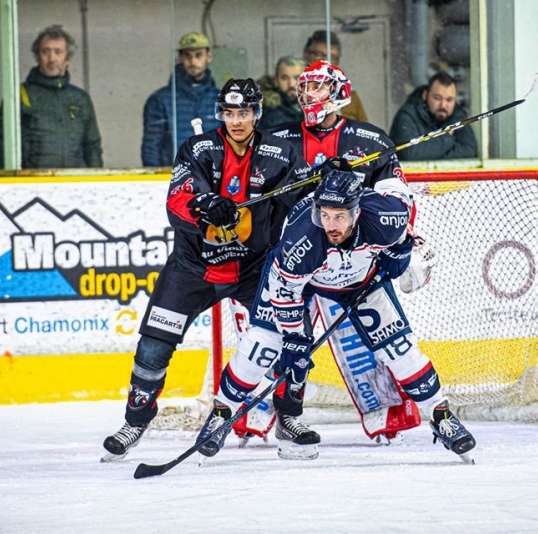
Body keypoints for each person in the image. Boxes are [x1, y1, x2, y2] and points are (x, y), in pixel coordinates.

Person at [195, 170, 476, 463]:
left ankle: (441, 415)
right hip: (298, 284)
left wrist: (401, 250)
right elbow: (284, 292)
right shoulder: (302, 240)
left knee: (398, 348)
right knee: (262, 346)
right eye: (325, 215)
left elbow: (396, 190)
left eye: (339, 216)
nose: (330, 224)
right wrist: (294, 338)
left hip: (360, 282)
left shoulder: (386, 217)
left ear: (357, 212)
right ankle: (220, 414)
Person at [101, 78, 311, 461]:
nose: (237, 120)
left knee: (293, 339)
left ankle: (288, 418)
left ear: (257, 114)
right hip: (193, 268)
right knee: (152, 346)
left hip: (255, 270)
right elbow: (178, 199)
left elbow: (307, 197)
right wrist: (204, 204)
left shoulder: (281, 153)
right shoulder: (198, 148)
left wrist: (326, 174)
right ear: (221, 114)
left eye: (244, 112)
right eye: (230, 113)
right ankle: (135, 420)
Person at [233, 60, 436, 451]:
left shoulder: (372, 142)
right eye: (304, 87)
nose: (308, 94)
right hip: (294, 257)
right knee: (275, 338)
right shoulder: (276, 139)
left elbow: (398, 198)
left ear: (339, 93)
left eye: (317, 87)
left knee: (370, 336)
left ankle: (386, 413)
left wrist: (398, 235)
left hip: (352, 260)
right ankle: (260, 415)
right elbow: (253, 192)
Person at [0, 25, 103, 169]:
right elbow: (2, 146)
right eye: (45, 52)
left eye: (58, 52)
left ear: (68, 58)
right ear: (37, 56)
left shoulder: (80, 99)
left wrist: (96, 183)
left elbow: (92, 147)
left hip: (74, 184)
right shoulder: (18, 95)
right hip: (32, 185)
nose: (52, 59)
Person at [141, 32, 221, 167]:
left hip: (215, 178)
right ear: (180, 58)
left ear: (209, 57)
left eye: (198, 55)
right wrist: (156, 182)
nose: (193, 62)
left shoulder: (220, 99)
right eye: (187, 56)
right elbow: (151, 147)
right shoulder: (161, 100)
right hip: (174, 178)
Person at [389, 71, 478, 161]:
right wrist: (447, 137)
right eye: (437, 98)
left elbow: (469, 151)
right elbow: (410, 154)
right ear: (425, 95)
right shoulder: (407, 115)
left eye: (449, 100)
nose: (443, 105)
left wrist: (431, 154)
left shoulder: (458, 117)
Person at [303, 30, 368, 123]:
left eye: (332, 57)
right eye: (318, 55)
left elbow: (365, 131)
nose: (325, 62)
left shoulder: (350, 96)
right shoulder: (294, 92)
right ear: (306, 55)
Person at [257, 56, 305, 130]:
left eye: (297, 78)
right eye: (284, 78)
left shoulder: (311, 107)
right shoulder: (270, 113)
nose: (291, 84)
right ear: (276, 81)